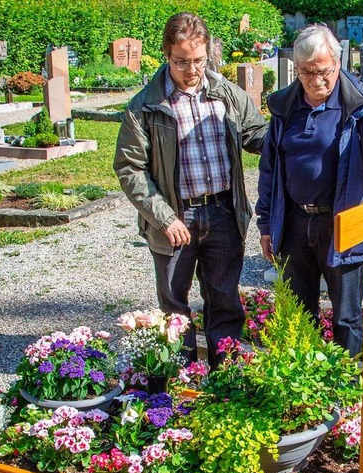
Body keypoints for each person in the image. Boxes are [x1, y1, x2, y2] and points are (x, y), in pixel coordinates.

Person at [256, 24, 363, 357]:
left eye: (323, 72)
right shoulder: (284, 108)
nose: (316, 81)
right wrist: (265, 225)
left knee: (347, 317)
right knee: (299, 315)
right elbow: (270, 171)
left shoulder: (361, 104)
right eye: (306, 73)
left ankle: (347, 390)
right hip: (293, 223)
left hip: (343, 223)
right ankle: (304, 390)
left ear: (337, 61)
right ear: (297, 69)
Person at [114, 12, 267, 367]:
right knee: (174, 306)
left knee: (224, 299)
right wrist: (164, 218)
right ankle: (184, 377)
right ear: (166, 54)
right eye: (182, 61)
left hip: (223, 213)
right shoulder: (145, 107)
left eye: (198, 61)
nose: (192, 70)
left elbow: (256, 135)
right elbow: (129, 168)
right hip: (174, 220)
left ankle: (225, 373)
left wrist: (297, 135)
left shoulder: (227, 95)